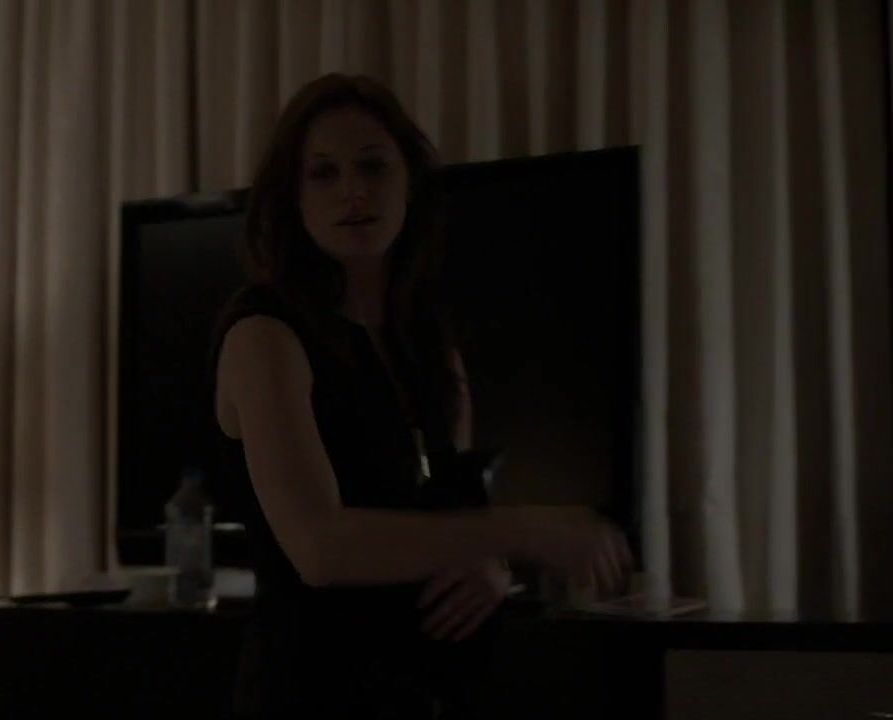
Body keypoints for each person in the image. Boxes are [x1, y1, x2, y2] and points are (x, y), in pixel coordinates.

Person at [203, 73, 634, 719]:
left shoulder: (429, 345)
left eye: (372, 166)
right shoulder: (264, 334)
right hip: (309, 696)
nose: (352, 190)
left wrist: (492, 564)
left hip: (426, 693)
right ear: (292, 198)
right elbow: (320, 547)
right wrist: (529, 529)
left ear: (409, 182)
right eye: (323, 173)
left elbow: (452, 514)